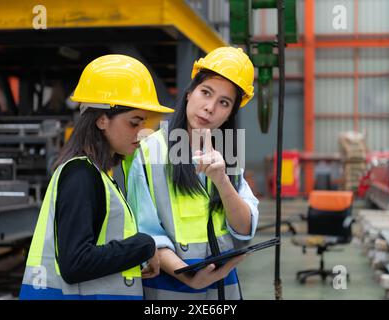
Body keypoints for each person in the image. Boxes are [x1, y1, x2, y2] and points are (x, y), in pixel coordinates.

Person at [19, 54, 174, 300]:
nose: (141, 133)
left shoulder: (99, 176)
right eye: (134, 123)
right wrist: (144, 245)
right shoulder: (81, 175)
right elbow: (76, 263)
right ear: (102, 120)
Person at [126, 47, 259, 300]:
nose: (210, 108)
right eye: (206, 92)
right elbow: (146, 232)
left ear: (231, 112)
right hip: (172, 288)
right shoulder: (151, 151)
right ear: (189, 93)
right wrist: (190, 278)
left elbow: (244, 228)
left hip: (224, 289)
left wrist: (222, 180)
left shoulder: (227, 153)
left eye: (224, 102)